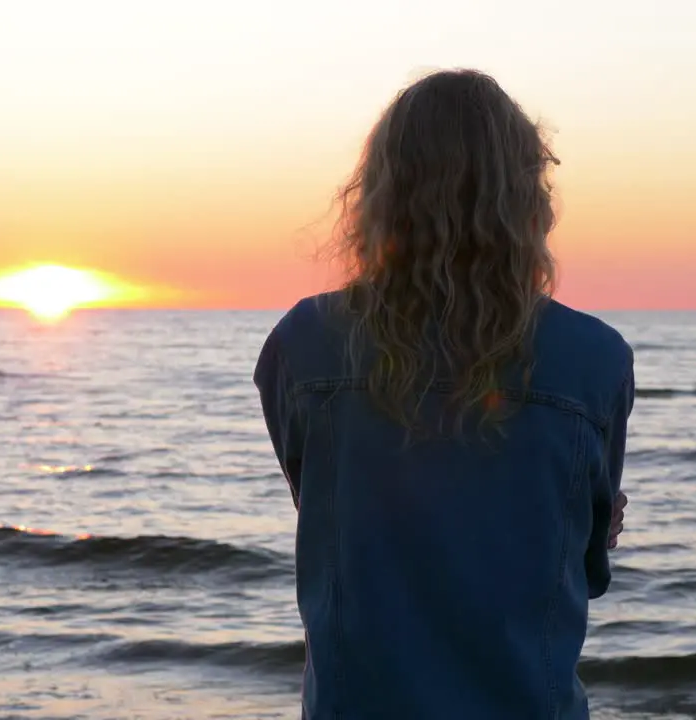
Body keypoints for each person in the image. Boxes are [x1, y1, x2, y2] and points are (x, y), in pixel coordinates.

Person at [253, 69, 634, 719]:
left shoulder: (306, 345)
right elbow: (586, 572)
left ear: (379, 193)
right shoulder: (593, 359)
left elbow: (324, 513)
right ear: (525, 196)